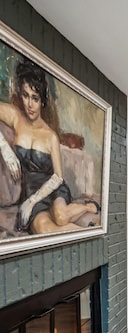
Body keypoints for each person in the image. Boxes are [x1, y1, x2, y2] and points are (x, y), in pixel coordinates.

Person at [0, 59, 98, 234]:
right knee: (44, 229)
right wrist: (4, 147)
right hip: (30, 188)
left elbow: (58, 177)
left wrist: (32, 202)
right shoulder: (15, 117)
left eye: (35, 98)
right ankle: (88, 234)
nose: (29, 104)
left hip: (52, 188)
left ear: (42, 101)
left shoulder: (50, 135)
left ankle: (89, 207)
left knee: (60, 216)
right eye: (25, 95)